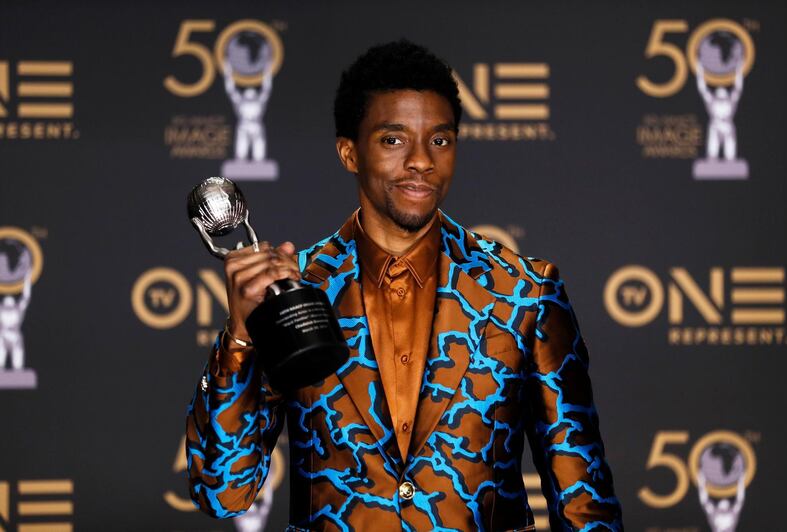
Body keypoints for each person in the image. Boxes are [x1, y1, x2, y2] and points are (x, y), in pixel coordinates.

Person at [186, 39, 622, 531]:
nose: (421, 161)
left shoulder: (524, 291)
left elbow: (584, 504)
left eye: (440, 140)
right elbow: (222, 492)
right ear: (349, 153)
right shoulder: (294, 290)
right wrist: (241, 339)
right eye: (394, 140)